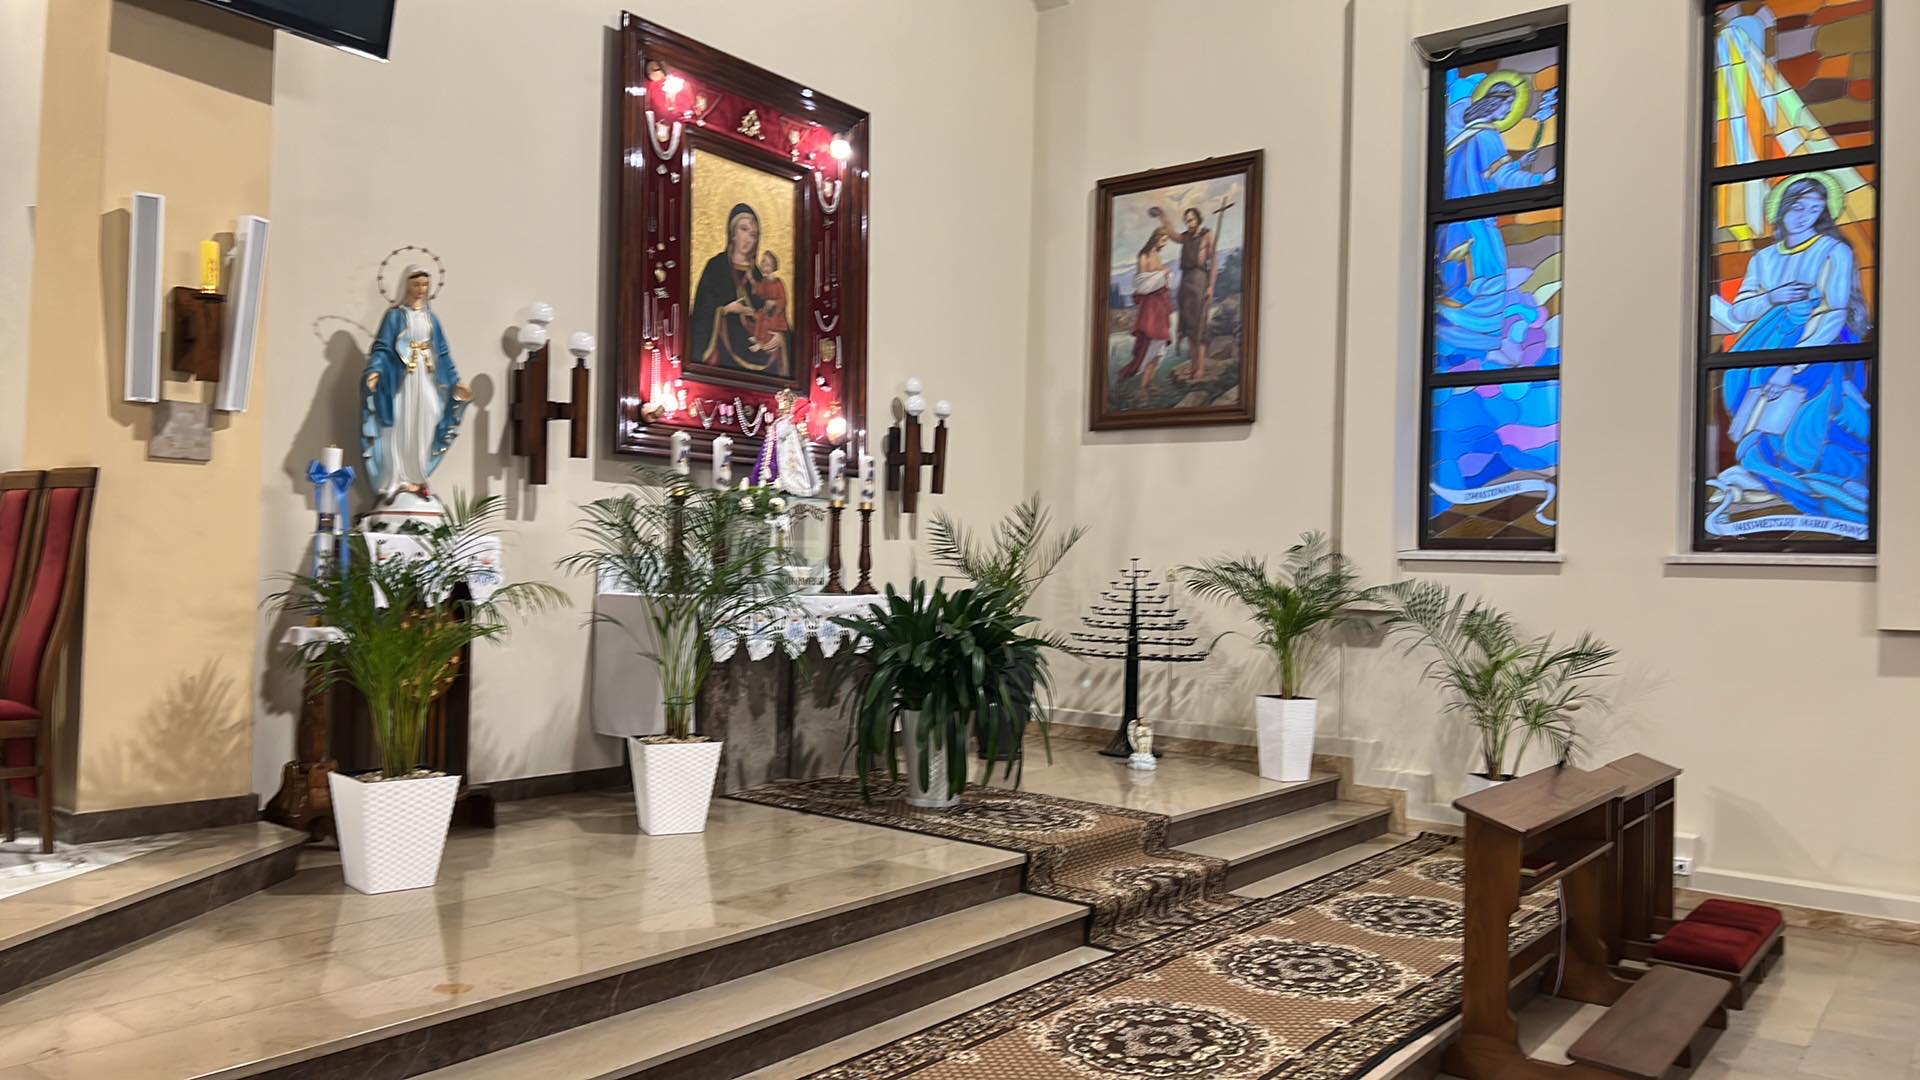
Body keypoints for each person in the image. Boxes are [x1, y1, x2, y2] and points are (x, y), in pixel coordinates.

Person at [360, 266, 469, 504]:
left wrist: (456, 381)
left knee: (429, 416)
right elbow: (382, 347)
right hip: (400, 378)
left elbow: (443, 352)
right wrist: (375, 371)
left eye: (425, 285)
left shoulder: (431, 319)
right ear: (406, 285)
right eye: (416, 284)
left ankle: (417, 477)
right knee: (400, 422)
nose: (421, 289)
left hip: (426, 376)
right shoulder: (395, 316)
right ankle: (396, 479)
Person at [690, 202, 784, 377]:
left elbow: (774, 313)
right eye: (743, 229)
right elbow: (701, 315)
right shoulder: (716, 267)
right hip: (723, 350)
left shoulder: (759, 275)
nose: (748, 238)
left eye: (753, 235)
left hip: (756, 345)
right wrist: (725, 310)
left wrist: (780, 336)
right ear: (733, 232)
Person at [1153, 205, 1215, 380]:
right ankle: (1193, 366)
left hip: (1200, 280)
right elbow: (1172, 234)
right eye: (1187, 221)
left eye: (1192, 220)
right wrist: (1162, 216)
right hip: (1186, 282)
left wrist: (1211, 286)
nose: (1189, 223)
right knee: (1188, 326)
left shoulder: (1207, 235)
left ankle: (1200, 368)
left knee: (1199, 326)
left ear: (1198, 219)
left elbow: (1214, 262)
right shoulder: (1186, 237)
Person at [1115, 228, 1175, 391]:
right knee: (1149, 344)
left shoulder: (1158, 256)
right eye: (1163, 240)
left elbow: (1162, 280)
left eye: (1166, 240)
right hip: (1150, 307)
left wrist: (1165, 275)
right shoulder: (1144, 256)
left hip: (1160, 305)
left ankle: (1148, 383)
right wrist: (1162, 274)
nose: (1164, 244)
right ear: (1155, 238)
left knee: (1159, 349)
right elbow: (1141, 283)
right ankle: (1142, 387)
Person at [750, 249, 790, 366]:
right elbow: (759, 290)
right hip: (766, 311)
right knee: (760, 320)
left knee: (767, 325)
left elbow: (783, 300)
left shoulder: (778, 282)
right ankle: (758, 338)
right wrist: (752, 281)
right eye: (763, 262)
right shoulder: (763, 281)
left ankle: (761, 344)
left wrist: (774, 304)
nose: (764, 266)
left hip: (775, 315)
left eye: (767, 264)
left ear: (773, 267)